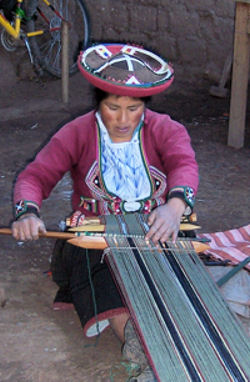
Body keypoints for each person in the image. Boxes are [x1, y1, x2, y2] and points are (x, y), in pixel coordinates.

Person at [11, 43, 199, 381]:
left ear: (145, 105)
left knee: (179, 277)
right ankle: (141, 343)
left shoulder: (166, 129)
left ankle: (187, 332)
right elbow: (36, 176)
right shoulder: (77, 132)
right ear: (99, 102)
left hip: (158, 225)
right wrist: (28, 212)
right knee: (106, 276)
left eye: (133, 108)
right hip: (96, 234)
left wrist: (174, 207)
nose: (123, 119)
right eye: (113, 108)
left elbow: (183, 164)